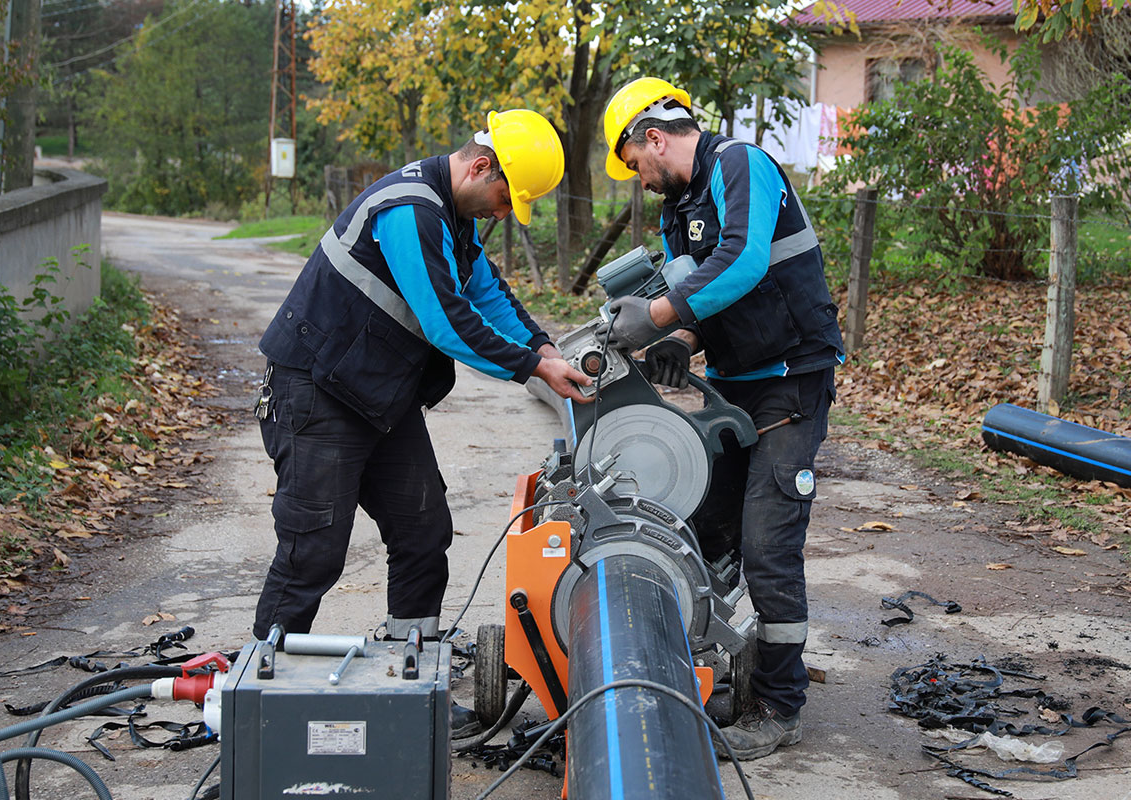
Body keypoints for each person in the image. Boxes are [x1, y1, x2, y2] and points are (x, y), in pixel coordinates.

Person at [250, 110, 592, 730]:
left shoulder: (456, 217)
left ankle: (407, 689)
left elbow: (487, 294)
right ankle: (256, 705)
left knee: (422, 533)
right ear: (480, 166)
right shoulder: (409, 208)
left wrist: (545, 349)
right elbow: (444, 322)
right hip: (316, 392)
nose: (498, 211)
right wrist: (531, 370)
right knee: (313, 553)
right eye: (502, 198)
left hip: (378, 397)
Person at [599, 78, 845, 760]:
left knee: (767, 545)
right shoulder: (680, 211)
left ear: (653, 137)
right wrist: (680, 342)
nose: (636, 178)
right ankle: (708, 664)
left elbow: (741, 262)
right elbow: (709, 299)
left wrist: (655, 319)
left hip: (791, 383)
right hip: (739, 387)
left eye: (631, 161)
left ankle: (778, 704)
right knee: (707, 533)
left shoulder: (741, 165)